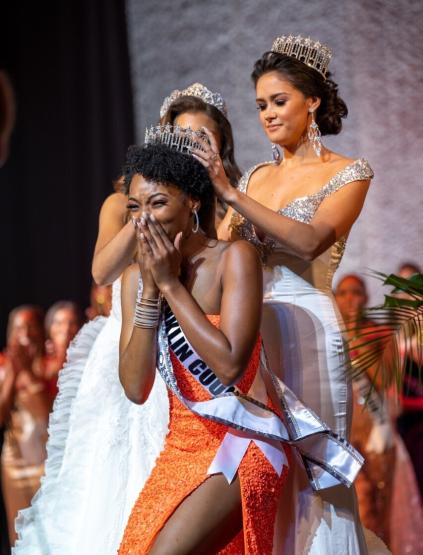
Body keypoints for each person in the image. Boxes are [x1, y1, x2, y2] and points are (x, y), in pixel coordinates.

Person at [13, 85, 242, 555]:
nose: (191, 147)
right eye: (182, 136)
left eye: (204, 139)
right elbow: (101, 271)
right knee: (110, 479)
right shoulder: (125, 203)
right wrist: (144, 211)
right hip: (129, 347)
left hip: (186, 356)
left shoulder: (213, 211)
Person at [118, 127, 363, 554]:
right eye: (135, 207)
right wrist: (152, 291)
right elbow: (135, 388)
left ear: (191, 202)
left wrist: (172, 288)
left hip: (243, 443)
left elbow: (230, 366)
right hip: (180, 450)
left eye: (158, 203)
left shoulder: (234, 258)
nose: (145, 218)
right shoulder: (136, 279)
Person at [195, 35, 382, 554]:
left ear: (313, 101)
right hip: (250, 325)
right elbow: (225, 249)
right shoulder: (257, 175)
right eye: (260, 106)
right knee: (264, 468)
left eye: (279, 101)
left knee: (317, 475)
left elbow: (309, 239)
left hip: (307, 325)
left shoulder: (348, 172)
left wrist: (232, 195)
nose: (268, 115)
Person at [335, 274, 423, 554]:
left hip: (375, 427)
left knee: (380, 502)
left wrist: (358, 344)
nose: (351, 299)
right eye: (344, 293)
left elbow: (387, 383)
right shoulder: (328, 334)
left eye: (357, 293)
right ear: (335, 298)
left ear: (366, 298)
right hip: (345, 430)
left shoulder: (377, 335)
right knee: (357, 502)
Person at [1, 306, 50, 544]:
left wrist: (29, 373)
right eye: (20, 327)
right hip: (15, 463)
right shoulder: (2, 366)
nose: (26, 332)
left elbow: (49, 415)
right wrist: (13, 371)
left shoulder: (51, 366)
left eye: (31, 326)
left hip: (46, 461)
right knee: (20, 535)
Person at [44, 301, 83, 402]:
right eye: (59, 323)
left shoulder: (85, 362)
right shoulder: (40, 363)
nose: (66, 329)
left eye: (72, 323)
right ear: (49, 327)